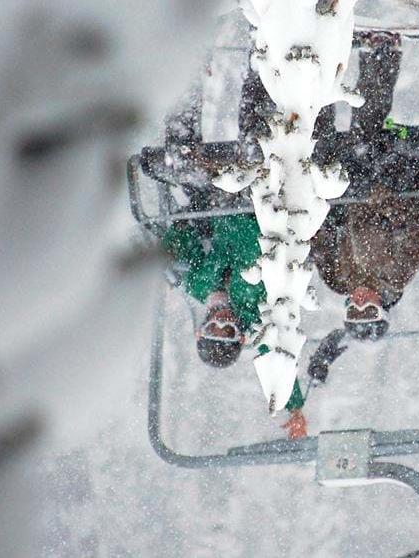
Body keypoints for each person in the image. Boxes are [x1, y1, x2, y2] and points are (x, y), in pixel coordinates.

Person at [157, 77, 309, 440]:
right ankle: (266, 67)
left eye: (214, 329)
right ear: (241, 336)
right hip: (260, 202)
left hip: (220, 201)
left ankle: (187, 75)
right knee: (252, 146)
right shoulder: (256, 310)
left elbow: (181, 234)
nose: (224, 323)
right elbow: (275, 353)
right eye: (230, 332)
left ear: (201, 328)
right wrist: (293, 405)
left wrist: (169, 253)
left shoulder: (196, 284)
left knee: (179, 161)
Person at [310, 31, 419, 342]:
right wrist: (379, 198)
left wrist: (321, 204)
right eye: (368, 311)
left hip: (345, 192)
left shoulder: (337, 279)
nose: (360, 303)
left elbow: (318, 236)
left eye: (353, 311)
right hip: (389, 183)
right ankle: (380, 52)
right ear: (383, 308)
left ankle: (315, 65)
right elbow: (413, 223)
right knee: (365, 140)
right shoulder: (397, 273)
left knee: (315, 150)